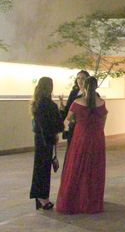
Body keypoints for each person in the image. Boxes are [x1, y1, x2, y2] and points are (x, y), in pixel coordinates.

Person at [56, 76, 108, 214]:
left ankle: (75, 200)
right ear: (96, 87)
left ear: (84, 87)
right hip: (97, 138)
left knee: (77, 168)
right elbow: (103, 122)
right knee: (94, 169)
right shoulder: (102, 103)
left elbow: (69, 117)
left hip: (81, 137)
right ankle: (91, 201)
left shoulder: (77, 102)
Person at [30, 77, 64, 210]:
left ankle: (40, 197)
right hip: (47, 140)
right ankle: (43, 199)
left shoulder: (37, 103)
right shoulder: (49, 104)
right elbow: (59, 125)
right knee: (44, 170)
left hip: (39, 139)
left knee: (39, 168)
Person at [59, 70, 89, 146]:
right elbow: (68, 109)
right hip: (73, 126)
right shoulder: (74, 92)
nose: (80, 80)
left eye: (83, 78)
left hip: (84, 128)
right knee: (71, 149)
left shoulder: (92, 94)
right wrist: (62, 106)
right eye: (78, 78)